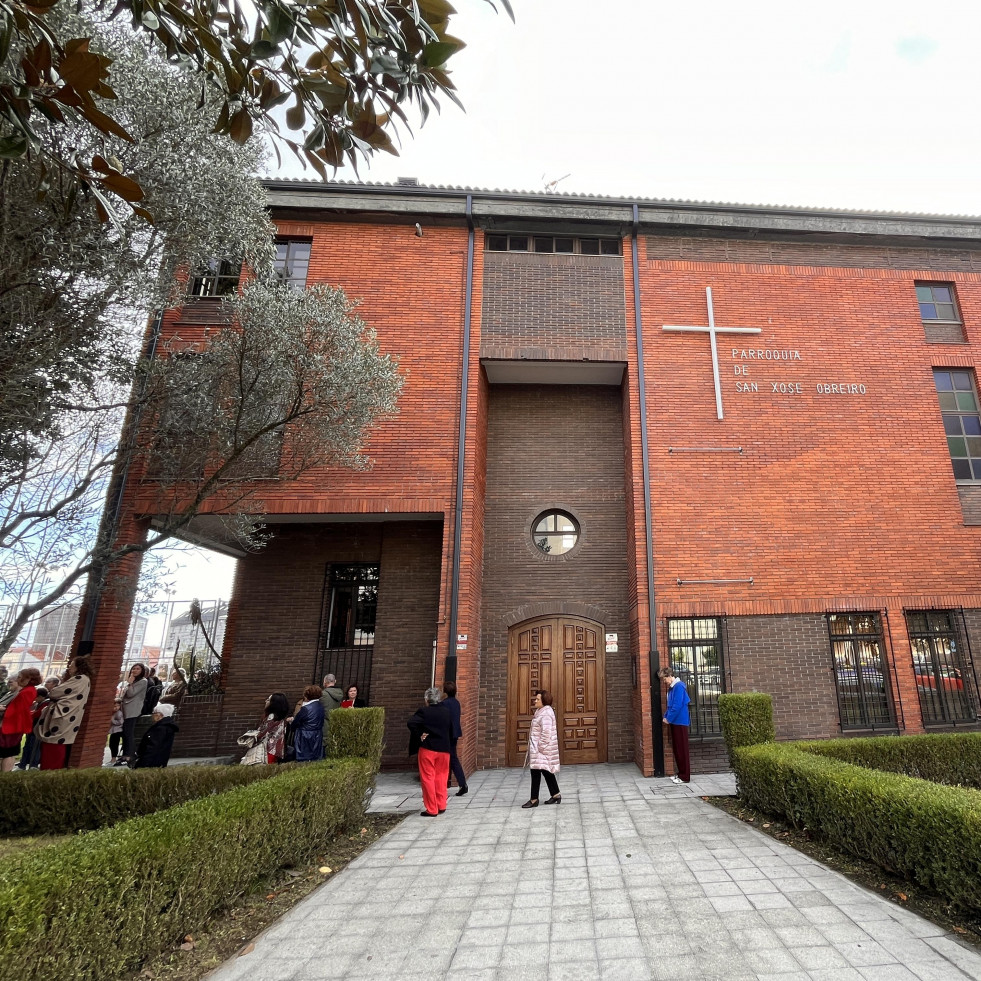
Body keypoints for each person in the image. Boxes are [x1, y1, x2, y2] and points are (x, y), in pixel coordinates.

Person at [37, 655, 94, 770]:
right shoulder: (84, 679)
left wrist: (61, 685)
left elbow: (54, 692)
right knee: (55, 748)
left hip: (62, 717)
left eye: (72, 665)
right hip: (68, 717)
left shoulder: (79, 679)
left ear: (79, 667)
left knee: (53, 747)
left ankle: (49, 774)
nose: (69, 668)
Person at [407, 687, 453, 817]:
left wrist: (420, 734)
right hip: (444, 748)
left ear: (427, 699)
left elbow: (411, 723)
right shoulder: (446, 711)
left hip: (428, 748)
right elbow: (451, 729)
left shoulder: (424, 711)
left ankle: (432, 809)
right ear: (438, 699)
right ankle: (441, 804)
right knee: (442, 777)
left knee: (428, 778)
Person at [523, 689, 561, 807]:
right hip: (539, 748)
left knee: (535, 772)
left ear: (544, 701)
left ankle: (534, 799)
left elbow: (546, 733)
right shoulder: (541, 711)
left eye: (538, 699)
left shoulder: (546, 714)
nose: (535, 701)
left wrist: (540, 747)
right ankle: (556, 795)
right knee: (546, 771)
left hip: (541, 749)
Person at [0, 668, 42, 772]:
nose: (18, 679)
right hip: (12, 725)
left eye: (19, 677)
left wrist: (2, 708)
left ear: (28, 679)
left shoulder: (27, 691)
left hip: (12, 726)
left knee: (8, 753)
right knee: (9, 752)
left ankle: (5, 776)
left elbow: (17, 710)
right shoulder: (26, 690)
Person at [659, 665, 691, 784]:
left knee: (682, 749)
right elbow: (670, 705)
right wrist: (666, 716)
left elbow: (677, 705)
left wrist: (668, 718)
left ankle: (685, 776)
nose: (664, 682)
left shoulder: (678, 687)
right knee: (678, 749)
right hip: (675, 721)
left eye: (664, 679)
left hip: (680, 721)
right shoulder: (673, 687)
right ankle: (681, 773)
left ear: (669, 676)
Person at [116, 663, 148, 766]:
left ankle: (130, 754)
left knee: (128, 732)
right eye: (133, 668)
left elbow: (130, 693)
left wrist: (129, 683)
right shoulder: (133, 681)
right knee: (125, 732)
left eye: (138, 669)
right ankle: (125, 754)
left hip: (132, 710)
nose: (135, 670)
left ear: (142, 671)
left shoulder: (143, 681)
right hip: (125, 709)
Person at [133, 703, 179, 768]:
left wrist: (143, 763)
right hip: (158, 761)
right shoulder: (167, 727)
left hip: (151, 762)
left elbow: (153, 746)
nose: (152, 715)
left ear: (159, 715)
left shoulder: (160, 729)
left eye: (154, 713)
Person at [442, 681, 468, 796]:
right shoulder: (456, 703)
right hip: (455, 734)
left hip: (447, 735)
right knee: (453, 758)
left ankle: (462, 784)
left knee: (451, 759)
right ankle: (462, 783)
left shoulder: (444, 704)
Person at [288, 686, 325, 761]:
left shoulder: (305, 708)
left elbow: (296, 722)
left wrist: (291, 724)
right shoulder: (321, 706)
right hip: (317, 735)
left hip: (304, 736)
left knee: (303, 758)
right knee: (315, 758)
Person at [253, 692, 290, 764]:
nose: (266, 701)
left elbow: (261, 733)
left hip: (268, 749)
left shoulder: (271, 717)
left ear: (273, 704)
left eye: (268, 700)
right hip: (276, 749)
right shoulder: (280, 717)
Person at [319, 673, 344, 744]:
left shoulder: (323, 694)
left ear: (325, 682)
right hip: (336, 725)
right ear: (335, 681)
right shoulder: (340, 694)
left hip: (324, 727)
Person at [108, 699, 125, 764]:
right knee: (112, 744)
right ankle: (113, 758)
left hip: (118, 730)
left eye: (118, 706)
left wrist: (112, 720)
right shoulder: (115, 713)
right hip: (114, 731)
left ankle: (113, 758)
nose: (116, 707)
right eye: (115, 706)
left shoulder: (119, 713)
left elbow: (121, 722)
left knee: (114, 744)